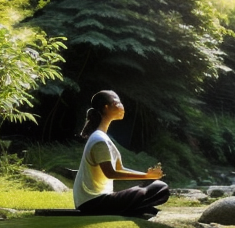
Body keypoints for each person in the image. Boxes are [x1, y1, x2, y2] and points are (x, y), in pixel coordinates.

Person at [73, 90, 170, 218]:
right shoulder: (99, 140)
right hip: (93, 203)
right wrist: (146, 177)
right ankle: (136, 208)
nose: (122, 106)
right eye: (117, 102)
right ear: (106, 108)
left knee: (153, 186)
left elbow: (119, 168)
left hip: (97, 201)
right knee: (159, 187)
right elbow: (111, 173)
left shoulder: (102, 137)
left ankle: (137, 208)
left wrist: (147, 175)